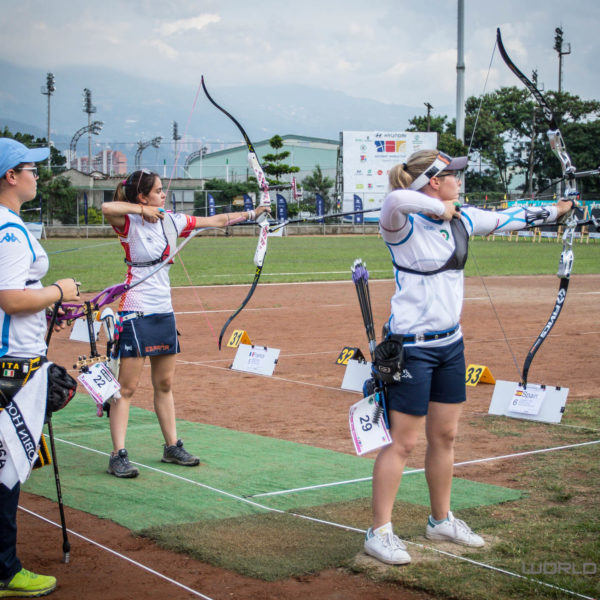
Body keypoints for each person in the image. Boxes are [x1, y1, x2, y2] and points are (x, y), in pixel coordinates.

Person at [363, 149, 574, 565]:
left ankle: (440, 519)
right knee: (403, 442)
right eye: (453, 177)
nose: (460, 182)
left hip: (450, 345)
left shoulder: (463, 218)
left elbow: (512, 216)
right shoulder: (400, 224)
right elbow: (393, 199)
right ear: (435, 183)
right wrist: (440, 208)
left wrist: (559, 210)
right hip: (411, 347)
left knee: (445, 436)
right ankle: (379, 531)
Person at [102, 170, 270, 478]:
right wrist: (143, 211)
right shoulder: (129, 223)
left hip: (163, 311)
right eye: (158, 191)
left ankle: (171, 447)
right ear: (143, 197)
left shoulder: (172, 220)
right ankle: (118, 454)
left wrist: (253, 213)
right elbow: (107, 208)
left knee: (164, 384)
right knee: (126, 388)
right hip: (135, 310)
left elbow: (215, 221)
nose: (163, 195)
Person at [0, 138, 80, 597]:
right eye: (30, 169)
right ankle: (5, 569)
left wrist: (48, 304)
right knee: (7, 465)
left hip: (14, 356)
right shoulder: (9, 231)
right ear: (11, 176)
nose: (36, 175)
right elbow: (10, 298)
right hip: (13, 366)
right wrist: (58, 291)